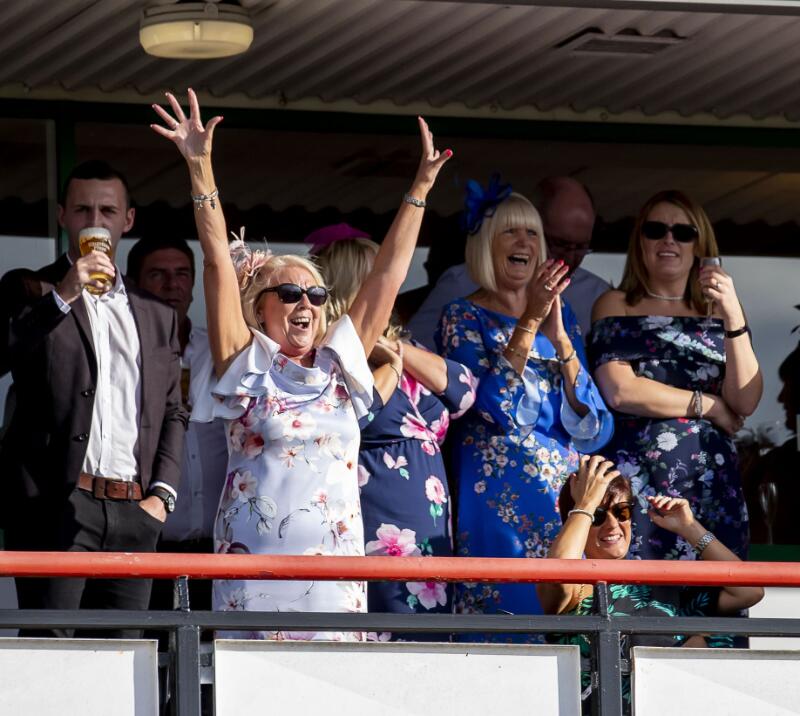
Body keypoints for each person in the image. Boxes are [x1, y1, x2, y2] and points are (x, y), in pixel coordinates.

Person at [151, 89, 451, 639]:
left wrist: (420, 189)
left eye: (315, 295)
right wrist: (200, 167)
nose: (306, 304)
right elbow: (218, 262)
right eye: (288, 293)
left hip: (334, 580)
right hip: (253, 575)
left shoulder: (342, 365)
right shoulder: (247, 363)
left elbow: (385, 275)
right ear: (258, 311)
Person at [0, 160, 186, 637]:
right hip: (58, 505)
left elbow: (172, 410)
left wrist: (161, 496)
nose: (95, 222)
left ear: (127, 221)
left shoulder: (156, 314)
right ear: (62, 216)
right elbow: (8, 354)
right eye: (83, 210)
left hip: (134, 509)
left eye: (107, 211)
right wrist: (63, 295)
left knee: (126, 660)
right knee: (52, 654)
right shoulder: (30, 290)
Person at [436, 178, 613, 635]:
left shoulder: (565, 314)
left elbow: (596, 426)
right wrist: (530, 320)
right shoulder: (462, 315)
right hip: (496, 500)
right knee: (507, 628)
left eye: (533, 233)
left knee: (564, 627)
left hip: (559, 498)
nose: (524, 242)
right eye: (511, 232)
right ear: (484, 246)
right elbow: (491, 405)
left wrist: (560, 339)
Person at [312, 229, 476, 633]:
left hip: (431, 527)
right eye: (386, 278)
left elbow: (464, 389)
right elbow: (355, 418)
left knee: (429, 641)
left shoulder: (405, 343)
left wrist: (396, 352)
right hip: (377, 517)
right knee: (383, 637)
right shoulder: (329, 356)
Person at [590, 190, 762, 560]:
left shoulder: (720, 312)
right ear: (640, 242)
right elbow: (620, 390)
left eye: (683, 233)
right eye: (656, 230)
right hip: (640, 484)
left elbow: (746, 399)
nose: (669, 239)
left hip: (712, 486)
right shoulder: (616, 304)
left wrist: (732, 315)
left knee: (716, 600)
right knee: (642, 602)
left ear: (700, 245)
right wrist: (711, 406)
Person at [538, 454, 764, 713]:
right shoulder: (577, 590)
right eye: (598, 516)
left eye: (621, 511)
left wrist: (690, 528)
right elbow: (558, 574)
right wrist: (585, 503)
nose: (613, 524)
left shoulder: (661, 582)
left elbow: (748, 591)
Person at [127, 236, 228, 613]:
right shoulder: (123, 357)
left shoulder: (221, 351)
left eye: (183, 274)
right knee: (148, 662)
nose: (173, 285)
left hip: (220, 552)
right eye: (158, 274)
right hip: (149, 545)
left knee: (221, 664)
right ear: (134, 284)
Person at [407, 176, 609, 348]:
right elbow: (412, 348)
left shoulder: (597, 294)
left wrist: (563, 346)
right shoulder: (460, 285)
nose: (570, 257)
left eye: (582, 246)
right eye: (560, 243)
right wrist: (531, 321)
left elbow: (588, 387)